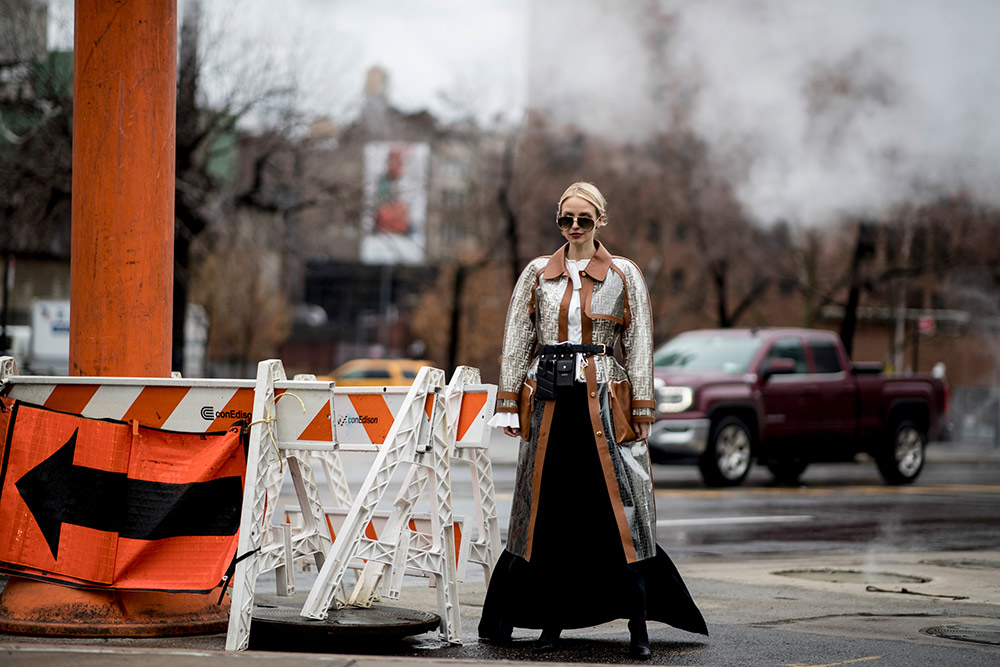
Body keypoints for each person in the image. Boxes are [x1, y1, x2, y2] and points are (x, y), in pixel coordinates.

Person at [479, 182, 707, 659]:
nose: (575, 227)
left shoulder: (625, 274)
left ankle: (638, 628)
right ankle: (550, 627)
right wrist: (506, 404)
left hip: (605, 404)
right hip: (548, 408)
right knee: (551, 516)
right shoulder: (536, 274)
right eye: (567, 219)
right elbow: (518, 337)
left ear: (601, 220)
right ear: (558, 221)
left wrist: (643, 408)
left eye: (584, 219)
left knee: (622, 513)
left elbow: (641, 341)